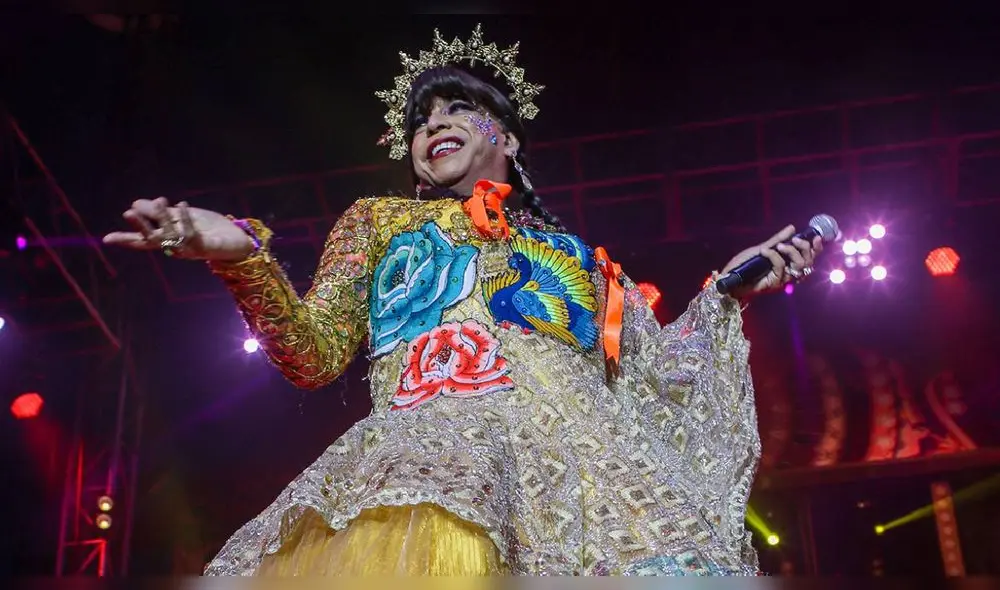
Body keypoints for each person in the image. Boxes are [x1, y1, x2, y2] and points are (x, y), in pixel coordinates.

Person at [104, 26, 823, 576]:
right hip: (438, 463)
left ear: (505, 137)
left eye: (457, 108)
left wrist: (725, 293)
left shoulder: (579, 259)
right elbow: (313, 353)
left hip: (585, 487)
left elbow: (656, 375)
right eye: (420, 121)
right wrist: (243, 255)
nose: (431, 126)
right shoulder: (380, 223)